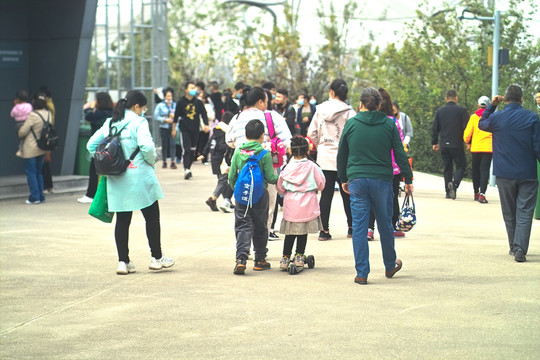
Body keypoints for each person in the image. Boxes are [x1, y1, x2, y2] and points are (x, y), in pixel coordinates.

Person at [87, 90, 174, 274]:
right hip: (140, 175)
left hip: (116, 177)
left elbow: (91, 145)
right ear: (136, 106)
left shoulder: (111, 122)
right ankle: (156, 258)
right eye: (143, 108)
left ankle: (123, 262)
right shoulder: (139, 121)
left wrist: (110, 161)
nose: (143, 111)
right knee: (151, 217)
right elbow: (147, 146)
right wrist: (151, 161)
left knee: (122, 220)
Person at [337, 87, 413, 285]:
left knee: (360, 226)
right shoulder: (389, 125)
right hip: (382, 180)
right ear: (379, 105)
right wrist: (408, 179)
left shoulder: (351, 124)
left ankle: (362, 272)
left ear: (361, 103)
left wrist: (344, 178)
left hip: (357, 181)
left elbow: (342, 155)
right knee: (385, 224)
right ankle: (390, 265)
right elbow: (400, 153)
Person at [478, 85, 540, 263]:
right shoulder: (532, 118)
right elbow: (538, 147)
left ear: (505, 98)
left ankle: (514, 246)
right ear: (522, 99)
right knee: (525, 211)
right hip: (527, 173)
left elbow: (482, 124)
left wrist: (492, 105)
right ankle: (520, 247)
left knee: (509, 212)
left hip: (504, 174)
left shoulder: (497, 117)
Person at [307, 79, 356, 241]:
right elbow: (354, 135)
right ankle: (352, 228)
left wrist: (321, 145)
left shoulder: (320, 110)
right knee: (348, 194)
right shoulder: (350, 112)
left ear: (331, 92)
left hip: (324, 158)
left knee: (325, 195)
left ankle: (324, 231)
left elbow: (312, 133)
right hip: (345, 159)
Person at [229, 120, 279, 275]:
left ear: (245, 135)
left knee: (243, 224)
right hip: (259, 195)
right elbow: (271, 177)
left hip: (242, 195)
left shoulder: (238, 152)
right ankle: (260, 260)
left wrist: (236, 190)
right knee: (260, 226)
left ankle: (241, 259)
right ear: (262, 136)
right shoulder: (264, 154)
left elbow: (231, 176)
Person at [276, 136, 326, 271]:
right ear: (307, 151)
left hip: (291, 204)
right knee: (302, 232)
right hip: (308, 203)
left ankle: (285, 257)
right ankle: (299, 256)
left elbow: (280, 187)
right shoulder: (313, 166)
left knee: (290, 232)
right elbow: (321, 184)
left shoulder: (287, 168)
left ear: (291, 151)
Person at [367, 88, 407, 239]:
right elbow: (400, 146)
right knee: (392, 197)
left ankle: (369, 229)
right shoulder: (393, 122)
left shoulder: (367, 121)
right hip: (392, 168)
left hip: (372, 166)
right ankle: (394, 226)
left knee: (371, 198)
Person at [432, 90, 469, 199]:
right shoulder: (462, 111)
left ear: (446, 98)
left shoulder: (440, 111)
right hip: (457, 144)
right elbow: (466, 128)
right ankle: (455, 184)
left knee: (447, 167)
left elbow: (435, 128)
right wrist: (468, 142)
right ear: (456, 98)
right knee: (461, 165)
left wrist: (434, 142)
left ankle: (448, 192)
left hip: (444, 144)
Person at [78, 92, 114, 203]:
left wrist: (90, 106)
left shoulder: (100, 114)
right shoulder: (112, 113)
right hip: (111, 146)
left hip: (99, 146)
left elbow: (88, 115)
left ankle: (90, 195)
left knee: (94, 170)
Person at [17, 91, 51, 204]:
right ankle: (41, 196)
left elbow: (22, 132)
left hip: (31, 148)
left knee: (31, 173)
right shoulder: (48, 114)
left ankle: (34, 197)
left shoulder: (33, 115)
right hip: (42, 147)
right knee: (39, 172)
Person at [200, 111, 235, 213]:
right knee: (223, 181)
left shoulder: (216, 131)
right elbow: (223, 146)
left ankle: (226, 200)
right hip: (222, 161)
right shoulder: (225, 133)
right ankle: (213, 198)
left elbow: (209, 143)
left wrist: (204, 153)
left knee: (222, 180)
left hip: (215, 160)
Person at [173, 81, 209, 180]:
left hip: (195, 129)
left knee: (193, 150)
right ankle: (186, 169)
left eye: (194, 88)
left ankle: (188, 168)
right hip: (184, 129)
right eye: (191, 88)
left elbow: (203, 114)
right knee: (186, 149)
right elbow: (176, 116)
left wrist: (206, 124)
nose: (193, 90)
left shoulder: (198, 102)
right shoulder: (181, 102)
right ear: (186, 90)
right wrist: (174, 129)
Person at [463, 96, 492, 203]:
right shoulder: (492, 117)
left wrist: (467, 142)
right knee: (484, 171)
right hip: (488, 148)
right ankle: (482, 194)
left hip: (476, 148)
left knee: (476, 170)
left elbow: (467, 133)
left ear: (478, 105)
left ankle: (476, 193)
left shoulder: (474, 117)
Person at [153, 87, 177, 169]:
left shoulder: (175, 105)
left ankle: (173, 162)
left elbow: (179, 116)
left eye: (170, 96)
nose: (169, 98)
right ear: (164, 97)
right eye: (167, 96)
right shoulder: (160, 105)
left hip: (173, 127)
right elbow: (156, 116)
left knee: (173, 144)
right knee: (165, 144)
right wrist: (164, 120)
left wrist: (175, 118)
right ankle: (164, 161)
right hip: (164, 127)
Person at [39, 86, 55, 194]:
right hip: (49, 137)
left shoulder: (46, 107)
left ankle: (45, 186)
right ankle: (49, 186)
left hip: (43, 138)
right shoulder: (51, 105)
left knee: (43, 163)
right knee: (46, 163)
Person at [10, 90, 33, 157]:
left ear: (17, 99)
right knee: (26, 138)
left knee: (22, 138)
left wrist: (16, 105)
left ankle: (20, 149)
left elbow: (12, 114)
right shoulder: (29, 105)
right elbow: (31, 112)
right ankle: (21, 149)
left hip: (18, 124)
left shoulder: (16, 107)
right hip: (26, 123)